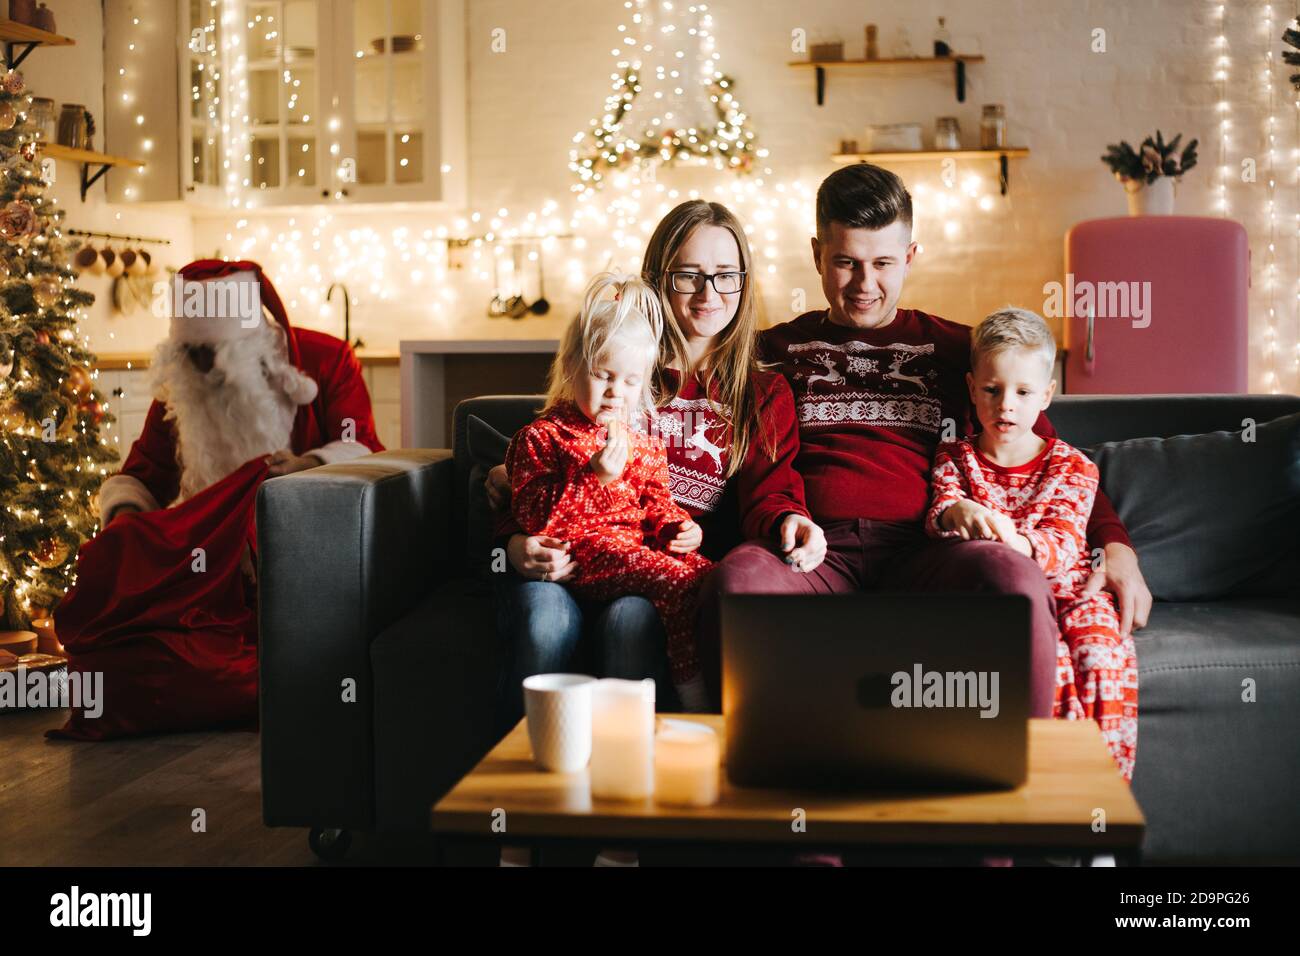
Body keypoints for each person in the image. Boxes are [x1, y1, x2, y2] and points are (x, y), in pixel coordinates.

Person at [701, 163, 1152, 718]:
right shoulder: (772, 351)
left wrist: (1118, 549)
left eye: (884, 263)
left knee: (1012, 574)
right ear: (818, 254)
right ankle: (766, 782)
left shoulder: (961, 351)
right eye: (846, 263)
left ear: (911, 256)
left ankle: (1034, 786)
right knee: (736, 580)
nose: (866, 286)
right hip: (814, 554)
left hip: (931, 551)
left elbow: (1049, 458)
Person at [487, 200, 823, 726]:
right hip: (567, 556)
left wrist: (790, 520)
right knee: (541, 618)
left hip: (654, 572)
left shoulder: (761, 391)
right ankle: (520, 784)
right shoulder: (616, 369)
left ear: (745, 281)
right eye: (688, 275)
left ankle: (633, 780)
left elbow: (769, 495)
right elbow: (534, 468)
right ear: (657, 280)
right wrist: (512, 543)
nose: (708, 293)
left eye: (725, 275)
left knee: (631, 624)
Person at [925, 308, 1137, 780]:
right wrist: (955, 513)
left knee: (1101, 655)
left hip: (1072, 590)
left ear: (1046, 396)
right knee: (1052, 667)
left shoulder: (1072, 466)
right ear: (971, 387)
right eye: (992, 390)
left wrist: (1016, 544)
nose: (1006, 406)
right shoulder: (954, 456)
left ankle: (1102, 799)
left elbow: (1064, 541)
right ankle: (1050, 793)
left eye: (1022, 393)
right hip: (1010, 599)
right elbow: (940, 511)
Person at [502, 271, 713, 709]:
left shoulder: (641, 443)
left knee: (708, 572)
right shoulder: (541, 438)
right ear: (572, 368)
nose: (617, 392)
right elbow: (535, 518)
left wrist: (679, 527)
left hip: (628, 559)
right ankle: (691, 684)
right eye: (603, 376)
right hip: (579, 559)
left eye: (631, 381)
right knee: (679, 578)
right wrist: (591, 478)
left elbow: (658, 501)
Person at [98, 259, 384, 535]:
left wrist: (307, 466)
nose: (203, 367)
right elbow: (145, 474)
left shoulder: (326, 360)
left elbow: (362, 445)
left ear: (248, 344)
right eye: (190, 352)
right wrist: (124, 519)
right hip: (212, 548)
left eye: (213, 352)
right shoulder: (185, 379)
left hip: (313, 538)